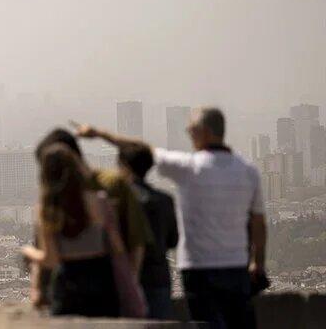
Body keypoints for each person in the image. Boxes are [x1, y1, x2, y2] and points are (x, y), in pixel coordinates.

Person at [74, 107, 266, 329]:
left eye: (191, 129)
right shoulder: (248, 170)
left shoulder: (188, 167)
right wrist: (257, 264)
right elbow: (258, 222)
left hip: (199, 268)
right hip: (236, 267)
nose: (188, 132)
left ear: (203, 131)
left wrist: (98, 133)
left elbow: (142, 149)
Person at [28, 129, 152, 308]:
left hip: (94, 289)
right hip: (90, 291)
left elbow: (134, 242)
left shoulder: (109, 185)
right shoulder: (56, 199)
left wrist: (126, 288)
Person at [30, 143, 124, 317]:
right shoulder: (100, 201)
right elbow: (117, 247)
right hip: (101, 282)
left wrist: (28, 252)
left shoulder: (48, 209)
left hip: (68, 284)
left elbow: (50, 259)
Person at [117, 144, 178, 319]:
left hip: (127, 279)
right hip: (159, 278)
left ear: (124, 166)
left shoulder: (119, 201)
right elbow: (173, 240)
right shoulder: (165, 200)